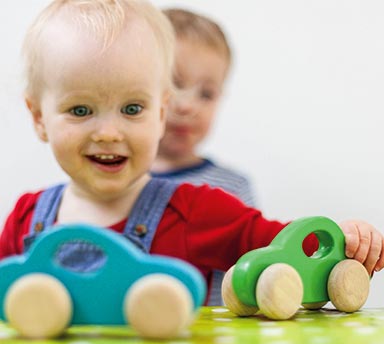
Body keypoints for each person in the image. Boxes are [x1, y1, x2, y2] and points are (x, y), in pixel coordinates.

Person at [0, 0, 383, 308]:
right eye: (81, 111)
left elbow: (283, 248)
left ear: (161, 113)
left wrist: (343, 241)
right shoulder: (25, 218)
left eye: (132, 109)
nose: (109, 132)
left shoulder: (195, 210)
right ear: (38, 118)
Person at [151, 8, 255, 304]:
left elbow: (253, 269)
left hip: (211, 341)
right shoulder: (112, 180)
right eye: (174, 84)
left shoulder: (234, 187)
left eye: (206, 94)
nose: (187, 106)